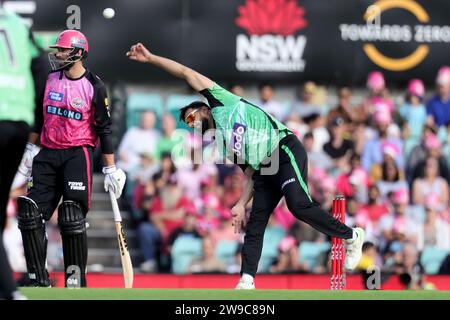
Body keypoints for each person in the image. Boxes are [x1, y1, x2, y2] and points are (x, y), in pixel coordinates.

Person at [126, 42, 365, 289]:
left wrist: (152, 58)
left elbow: (186, 72)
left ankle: (352, 235)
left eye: (192, 117)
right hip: (263, 169)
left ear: (203, 110)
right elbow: (250, 172)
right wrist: (240, 204)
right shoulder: (223, 144)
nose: (192, 123)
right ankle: (247, 279)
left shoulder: (221, 100)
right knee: (255, 222)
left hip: (282, 147)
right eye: (188, 124)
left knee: (298, 205)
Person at [17, 30, 126, 287]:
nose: (58, 54)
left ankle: (75, 281)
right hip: (48, 151)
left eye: (63, 50)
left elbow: (104, 128)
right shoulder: (49, 79)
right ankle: (38, 280)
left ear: (78, 53)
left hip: (78, 154)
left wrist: (110, 168)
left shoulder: (95, 86)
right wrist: (30, 149)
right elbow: (39, 116)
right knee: (30, 214)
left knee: (72, 215)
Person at [0, 8, 45, 300]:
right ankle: (10, 292)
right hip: (19, 124)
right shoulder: (17, 25)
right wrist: (36, 127)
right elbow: (41, 68)